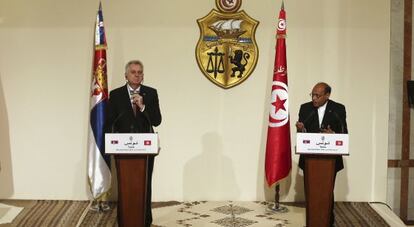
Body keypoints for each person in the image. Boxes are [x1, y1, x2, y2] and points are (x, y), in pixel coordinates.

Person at [105, 60, 162, 227]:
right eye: (133, 72)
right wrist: (111, 139)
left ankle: (145, 220)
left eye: (140, 72)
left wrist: (143, 107)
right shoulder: (116, 95)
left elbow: (157, 120)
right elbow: (110, 121)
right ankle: (124, 220)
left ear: (143, 76)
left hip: (145, 148)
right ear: (126, 75)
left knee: (145, 184)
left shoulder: (151, 93)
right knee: (125, 186)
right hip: (122, 149)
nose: (137, 75)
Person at [295, 82, 347, 227]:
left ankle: (327, 222)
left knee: (326, 192)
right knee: (311, 192)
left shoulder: (338, 109)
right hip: (310, 160)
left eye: (318, 95)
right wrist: (301, 129)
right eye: (312, 95)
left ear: (327, 95)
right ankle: (311, 222)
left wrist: (334, 135)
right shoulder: (305, 108)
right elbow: (302, 134)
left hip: (330, 160)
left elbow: (344, 133)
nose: (314, 98)